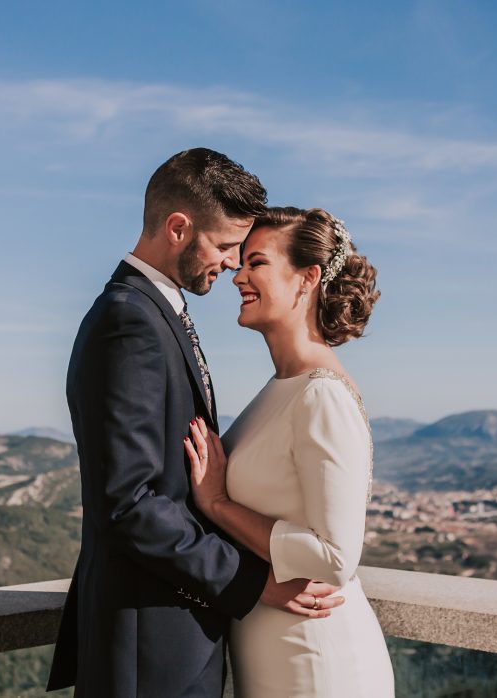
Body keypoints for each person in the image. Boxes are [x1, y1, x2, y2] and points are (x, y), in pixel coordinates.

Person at [46, 150, 344, 697]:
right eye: (228, 246)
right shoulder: (129, 322)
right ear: (179, 228)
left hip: (171, 639)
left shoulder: (153, 315)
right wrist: (255, 583)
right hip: (149, 649)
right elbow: (130, 503)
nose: (234, 264)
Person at [183, 206, 394, 697]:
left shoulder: (321, 395)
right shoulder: (282, 387)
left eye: (256, 262)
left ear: (308, 278)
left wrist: (218, 505)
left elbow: (334, 557)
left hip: (317, 663)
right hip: (275, 654)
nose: (237, 276)